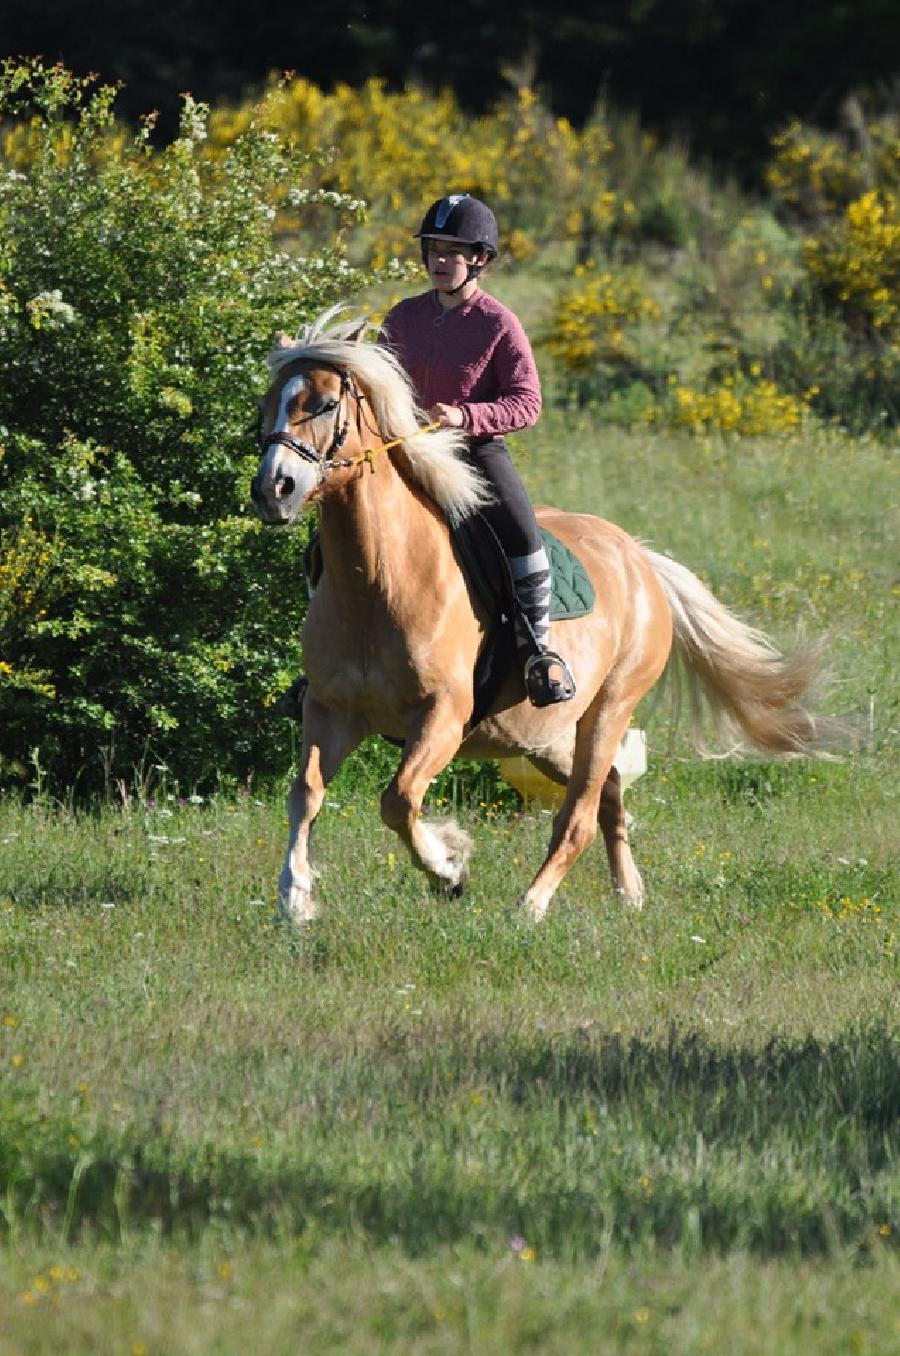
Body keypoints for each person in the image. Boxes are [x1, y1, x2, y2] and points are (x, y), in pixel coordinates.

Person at [378, 193, 576, 708]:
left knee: (521, 530)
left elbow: (527, 403)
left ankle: (538, 649)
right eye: (434, 250)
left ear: (481, 259)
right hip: (406, 451)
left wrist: (468, 416)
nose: (441, 261)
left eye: (454, 251)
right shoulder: (402, 317)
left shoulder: (498, 324)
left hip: (473, 454)